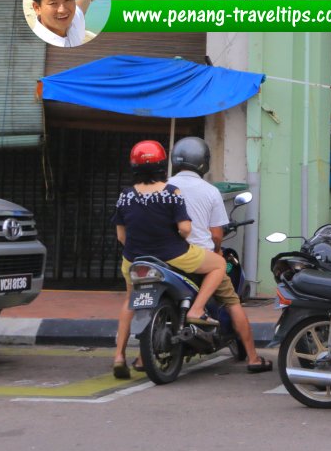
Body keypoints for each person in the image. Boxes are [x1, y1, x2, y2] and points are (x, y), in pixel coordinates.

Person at [111, 140, 228, 379]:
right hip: (173, 255)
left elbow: (121, 235)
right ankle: (196, 309)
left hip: (133, 259)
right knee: (218, 265)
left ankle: (119, 356)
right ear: (163, 165)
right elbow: (185, 229)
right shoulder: (171, 193)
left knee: (130, 300)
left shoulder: (125, 196)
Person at [167, 137, 271, 373]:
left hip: (168, 258)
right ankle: (253, 358)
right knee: (233, 301)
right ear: (204, 162)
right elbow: (216, 235)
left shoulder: (164, 187)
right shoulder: (210, 191)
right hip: (198, 259)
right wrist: (217, 251)